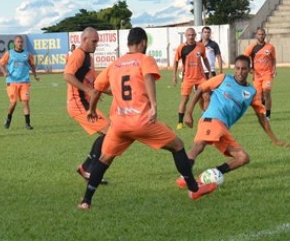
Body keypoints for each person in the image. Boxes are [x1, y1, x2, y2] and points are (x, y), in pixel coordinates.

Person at [78, 27, 217, 210]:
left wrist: (92, 110)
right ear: (143, 42)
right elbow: (148, 77)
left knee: (104, 159)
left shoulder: (115, 64)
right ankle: (194, 189)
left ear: (128, 42)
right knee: (178, 145)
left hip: (119, 124)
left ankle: (86, 201)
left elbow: (97, 89)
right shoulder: (145, 59)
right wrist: (154, 105)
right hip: (142, 121)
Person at [177, 55, 290, 187]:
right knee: (199, 146)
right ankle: (184, 177)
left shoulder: (251, 92)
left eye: (243, 69)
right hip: (211, 119)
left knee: (243, 158)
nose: (240, 72)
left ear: (250, 70)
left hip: (223, 128)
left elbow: (262, 118)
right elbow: (201, 89)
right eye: (237, 68)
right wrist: (188, 113)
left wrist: (275, 140)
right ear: (234, 68)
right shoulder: (224, 78)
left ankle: (214, 173)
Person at [64, 27, 110, 184]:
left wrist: (116, 92)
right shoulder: (78, 54)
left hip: (85, 102)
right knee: (110, 132)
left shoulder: (88, 57)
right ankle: (88, 169)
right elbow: (67, 75)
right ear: (84, 40)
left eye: (97, 41)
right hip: (78, 103)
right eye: (94, 41)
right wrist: (88, 91)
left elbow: (96, 83)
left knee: (109, 132)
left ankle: (87, 168)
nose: (96, 45)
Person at [173, 27, 211, 129]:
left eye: (193, 35)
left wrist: (210, 71)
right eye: (189, 35)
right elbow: (176, 61)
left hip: (200, 77)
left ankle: (206, 118)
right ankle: (180, 122)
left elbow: (205, 59)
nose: (191, 37)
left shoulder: (200, 46)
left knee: (206, 96)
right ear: (185, 36)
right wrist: (174, 76)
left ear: (195, 35)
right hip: (187, 78)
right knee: (185, 99)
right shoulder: (181, 48)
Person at [0, 35, 38, 130]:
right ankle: (8, 119)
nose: (20, 44)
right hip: (12, 82)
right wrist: (4, 73)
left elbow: (32, 65)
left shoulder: (27, 54)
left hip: (24, 82)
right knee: (13, 103)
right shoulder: (9, 53)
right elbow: (1, 64)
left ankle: (27, 124)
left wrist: (35, 75)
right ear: (14, 43)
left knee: (25, 102)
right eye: (18, 42)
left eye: (21, 42)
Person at [244, 28, 276, 119]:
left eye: (262, 34)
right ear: (256, 35)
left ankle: (268, 114)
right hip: (257, 75)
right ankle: (263, 106)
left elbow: (273, 59)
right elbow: (245, 57)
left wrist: (274, 68)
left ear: (265, 35)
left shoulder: (270, 47)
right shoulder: (252, 47)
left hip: (267, 74)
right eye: (259, 34)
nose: (261, 36)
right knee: (259, 97)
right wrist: (249, 68)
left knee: (266, 92)